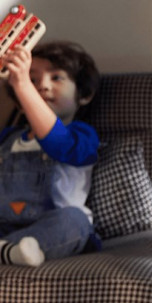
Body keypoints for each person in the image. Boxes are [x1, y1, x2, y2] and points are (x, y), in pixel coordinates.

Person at [0, 40, 100, 266]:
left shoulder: (82, 134)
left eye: (56, 77)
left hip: (55, 226)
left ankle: (16, 249)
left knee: (76, 220)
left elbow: (60, 144)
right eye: (32, 79)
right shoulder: (8, 137)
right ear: (19, 102)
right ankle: (9, 251)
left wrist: (23, 85)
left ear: (83, 95)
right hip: (5, 224)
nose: (42, 86)